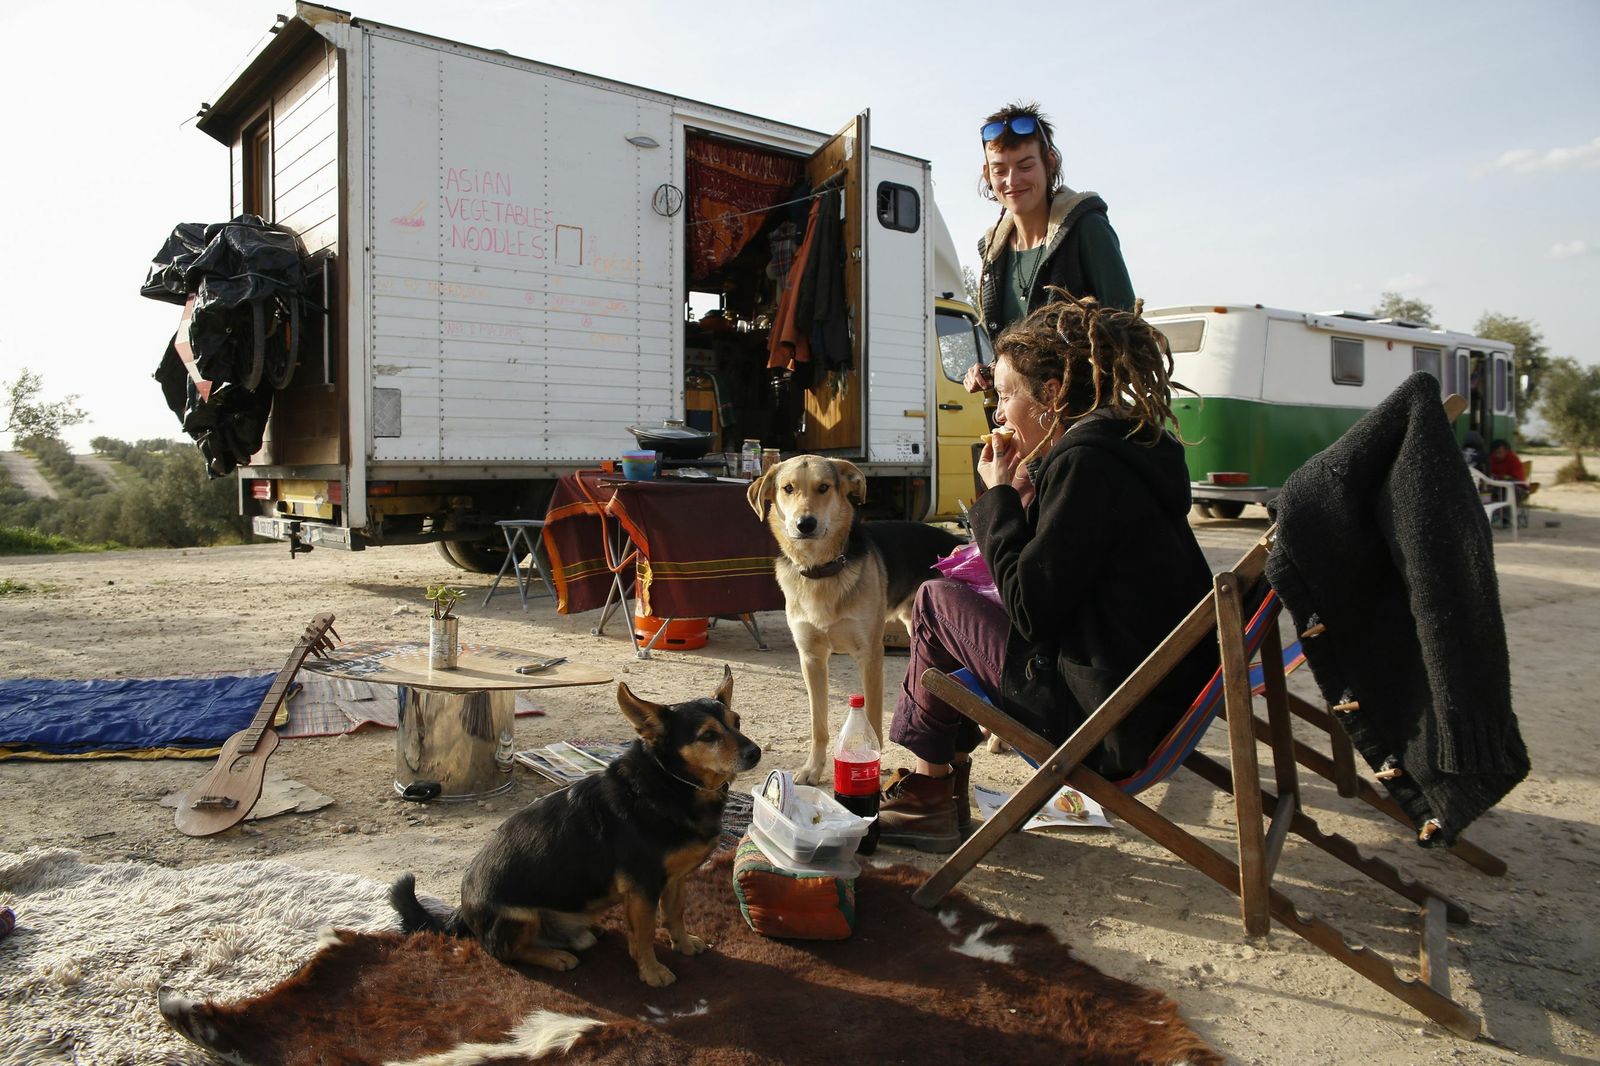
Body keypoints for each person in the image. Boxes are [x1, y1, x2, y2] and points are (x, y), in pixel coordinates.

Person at [879, 293, 1218, 852]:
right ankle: (932, 790)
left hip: (1105, 722)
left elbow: (1032, 608)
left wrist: (998, 498)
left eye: (1008, 394)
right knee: (951, 608)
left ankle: (930, 794)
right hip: (1153, 700)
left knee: (934, 601)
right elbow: (1063, 580)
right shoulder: (1129, 448)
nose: (999, 412)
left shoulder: (1086, 464)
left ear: (1051, 395)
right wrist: (1026, 499)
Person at [961, 102, 1135, 398]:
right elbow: (1019, 353)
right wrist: (993, 370)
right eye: (1000, 169)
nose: (1012, 181)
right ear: (987, 174)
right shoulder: (993, 252)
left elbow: (1126, 330)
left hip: (1081, 419)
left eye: (1026, 166)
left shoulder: (1086, 228)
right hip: (1026, 426)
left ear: (1050, 162)